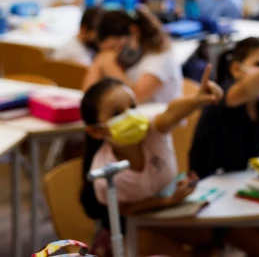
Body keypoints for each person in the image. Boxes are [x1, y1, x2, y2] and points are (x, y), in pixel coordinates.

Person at [80, 75, 223, 256]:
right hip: (131, 230)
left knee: (216, 235)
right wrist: (168, 200)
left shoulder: (152, 131)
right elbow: (124, 210)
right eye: (117, 113)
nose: (130, 116)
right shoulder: (105, 174)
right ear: (95, 131)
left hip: (165, 216)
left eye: (132, 107)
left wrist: (196, 101)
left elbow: (171, 113)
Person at [188, 38, 259, 256]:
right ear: (236, 69)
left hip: (251, 197)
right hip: (213, 203)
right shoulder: (221, 102)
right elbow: (242, 92)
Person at [83, 6, 182, 104]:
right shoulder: (127, 58)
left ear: (134, 32)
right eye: (107, 51)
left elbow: (134, 99)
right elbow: (88, 97)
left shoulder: (160, 56)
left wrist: (111, 67)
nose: (113, 54)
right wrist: (99, 62)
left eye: (115, 47)